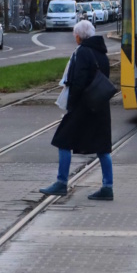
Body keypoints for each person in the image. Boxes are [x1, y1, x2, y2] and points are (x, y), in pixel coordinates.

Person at [39, 20, 114, 200]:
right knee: (103, 147)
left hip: (83, 106)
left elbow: (78, 81)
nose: (75, 38)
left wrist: (70, 104)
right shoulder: (102, 53)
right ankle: (107, 187)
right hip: (100, 105)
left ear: (79, 36)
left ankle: (61, 182)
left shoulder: (82, 53)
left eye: (75, 35)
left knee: (63, 140)